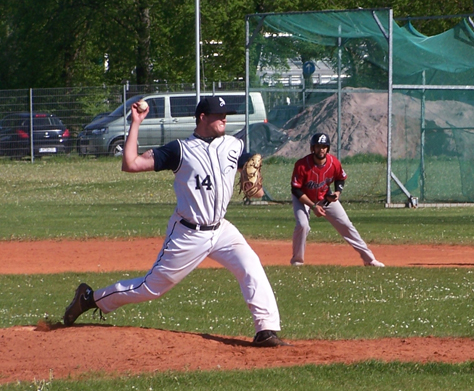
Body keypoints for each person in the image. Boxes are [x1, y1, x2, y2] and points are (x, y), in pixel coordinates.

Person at [63, 96, 287, 347]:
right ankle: (90, 298)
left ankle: (265, 330)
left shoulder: (233, 145)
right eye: (218, 115)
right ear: (202, 117)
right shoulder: (180, 150)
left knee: (250, 266)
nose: (224, 118)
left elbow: (252, 182)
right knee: (150, 288)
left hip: (222, 230)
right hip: (188, 233)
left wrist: (253, 176)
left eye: (226, 114)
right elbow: (130, 164)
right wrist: (135, 122)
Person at [290, 132, 384, 267]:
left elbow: (340, 177)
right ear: (312, 148)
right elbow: (296, 189)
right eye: (317, 146)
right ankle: (297, 262)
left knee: (346, 225)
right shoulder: (302, 165)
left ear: (327, 148)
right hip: (303, 199)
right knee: (302, 225)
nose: (321, 149)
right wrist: (313, 206)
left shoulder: (333, 162)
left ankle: (369, 260)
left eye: (324, 146)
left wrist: (338, 192)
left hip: (325, 197)